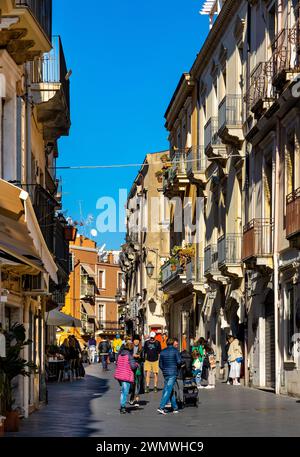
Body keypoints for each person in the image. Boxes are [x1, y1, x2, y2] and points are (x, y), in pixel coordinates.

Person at [157, 338, 181, 415]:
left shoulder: (163, 352)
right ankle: (161, 407)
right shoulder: (175, 351)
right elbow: (179, 361)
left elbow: (160, 364)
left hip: (165, 373)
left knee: (171, 390)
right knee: (168, 389)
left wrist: (164, 369)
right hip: (173, 372)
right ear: (172, 343)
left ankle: (175, 407)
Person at [114, 340, 138, 414]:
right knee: (125, 392)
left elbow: (117, 363)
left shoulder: (120, 355)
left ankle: (122, 405)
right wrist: (137, 364)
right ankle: (123, 406)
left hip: (120, 375)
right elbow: (133, 366)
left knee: (123, 391)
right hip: (126, 375)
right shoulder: (129, 356)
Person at [129, 335, 144, 407]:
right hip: (131, 367)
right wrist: (132, 356)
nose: (136, 341)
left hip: (138, 367)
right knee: (132, 383)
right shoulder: (130, 348)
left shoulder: (141, 348)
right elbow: (127, 356)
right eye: (135, 340)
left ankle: (137, 398)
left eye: (137, 340)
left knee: (138, 382)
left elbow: (144, 358)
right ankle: (132, 396)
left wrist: (140, 356)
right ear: (133, 341)